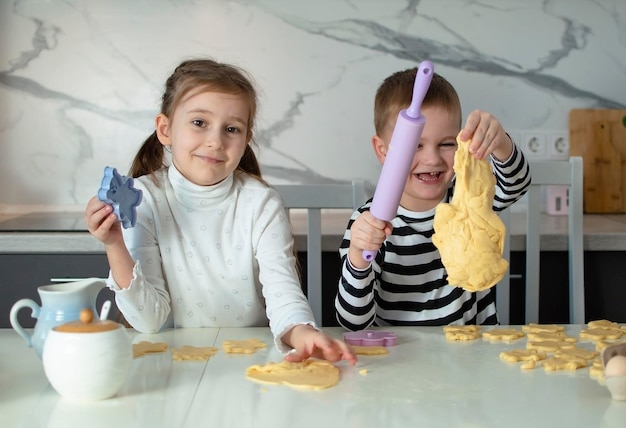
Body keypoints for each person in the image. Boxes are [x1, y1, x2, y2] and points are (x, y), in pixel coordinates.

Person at [85, 58, 356, 365]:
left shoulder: (261, 203)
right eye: (199, 123)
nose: (215, 141)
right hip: (175, 364)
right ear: (165, 129)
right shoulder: (144, 199)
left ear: (246, 140)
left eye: (231, 129)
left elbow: (283, 294)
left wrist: (303, 333)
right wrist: (114, 244)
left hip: (252, 359)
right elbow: (149, 321)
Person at [335, 67, 531, 330]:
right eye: (415, 145)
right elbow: (353, 323)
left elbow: (516, 184)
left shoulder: (468, 200)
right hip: (401, 358)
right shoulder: (367, 223)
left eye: (447, 143)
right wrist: (358, 259)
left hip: (474, 353)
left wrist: (501, 144)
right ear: (383, 150)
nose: (432, 159)